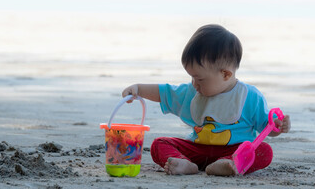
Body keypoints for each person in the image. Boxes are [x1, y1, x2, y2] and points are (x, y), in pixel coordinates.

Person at [122, 24, 291, 176]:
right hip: (196, 149)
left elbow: (266, 127)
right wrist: (138, 89)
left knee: (263, 151)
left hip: (234, 150)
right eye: (192, 77)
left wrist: (278, 126)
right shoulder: (192, 92)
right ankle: (185, 164)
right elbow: (165, 92)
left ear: (225, 74)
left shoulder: (250, 97)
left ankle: (226, 164)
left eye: (200, 79)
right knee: (159, 144)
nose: (194, 84)